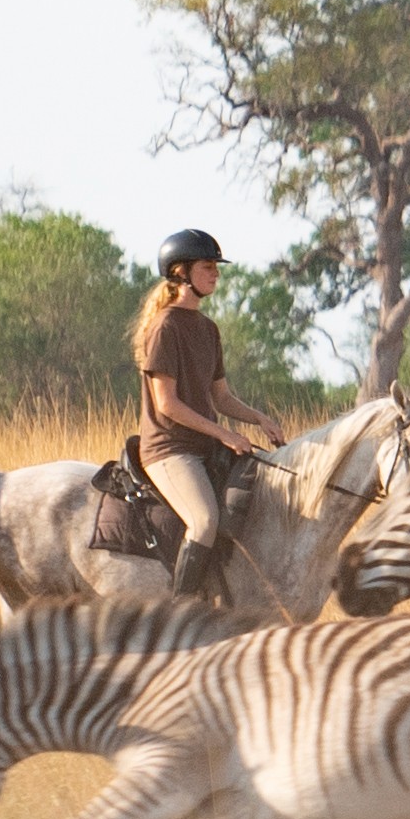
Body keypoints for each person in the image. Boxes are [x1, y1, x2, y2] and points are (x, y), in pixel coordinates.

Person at [133, 230, 278, 585]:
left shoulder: (208, 329)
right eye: (208, 266)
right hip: (170, 451)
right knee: (204, 521)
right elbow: (167, 404)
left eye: (216, 267)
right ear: (181, 272)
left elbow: (221, 398)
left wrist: (259, 419)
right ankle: (183, 611)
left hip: (203, 448)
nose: (216, 274)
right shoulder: (165, 326)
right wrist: (226, 434)